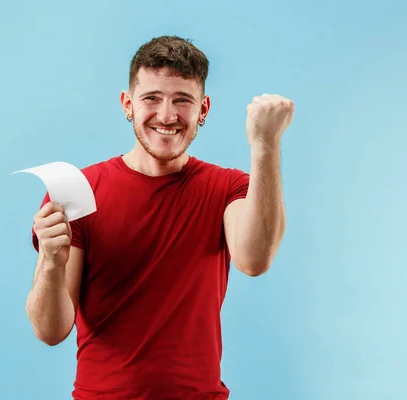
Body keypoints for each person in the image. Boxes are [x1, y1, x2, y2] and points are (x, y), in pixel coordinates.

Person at [26, 35, 293, 399]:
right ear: (128, 104)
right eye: (152, 98)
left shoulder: (228, 187)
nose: (167, 115)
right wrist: (51, 263)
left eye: (182, 100)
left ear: (203, 109)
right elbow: (50, 331)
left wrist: (266, 144)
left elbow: (254, 259)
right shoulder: (78, 190)